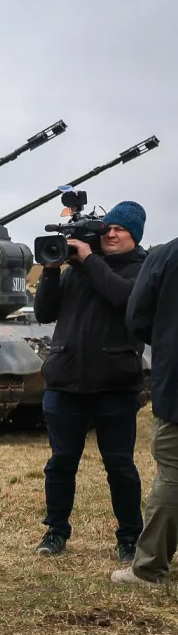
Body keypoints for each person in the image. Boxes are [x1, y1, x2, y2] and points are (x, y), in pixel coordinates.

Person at [32, 201, 147, 562]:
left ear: (135, 235)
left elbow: (124, 299)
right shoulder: (77, 270)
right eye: (107, 228)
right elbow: (44, 312)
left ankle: (130, 538)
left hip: (116, 384)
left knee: (120, 467)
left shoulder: (142, 269)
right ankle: (55, 532)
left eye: (120, 229)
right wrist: (52, 271)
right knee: (60, 464)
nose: (111, 234)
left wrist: (90, 260)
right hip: (65, 381)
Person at [119, 234, 178, 584]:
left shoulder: (167, 255)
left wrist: (168, 337)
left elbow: (138, 317)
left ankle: (150, 567)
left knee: (173, 474)